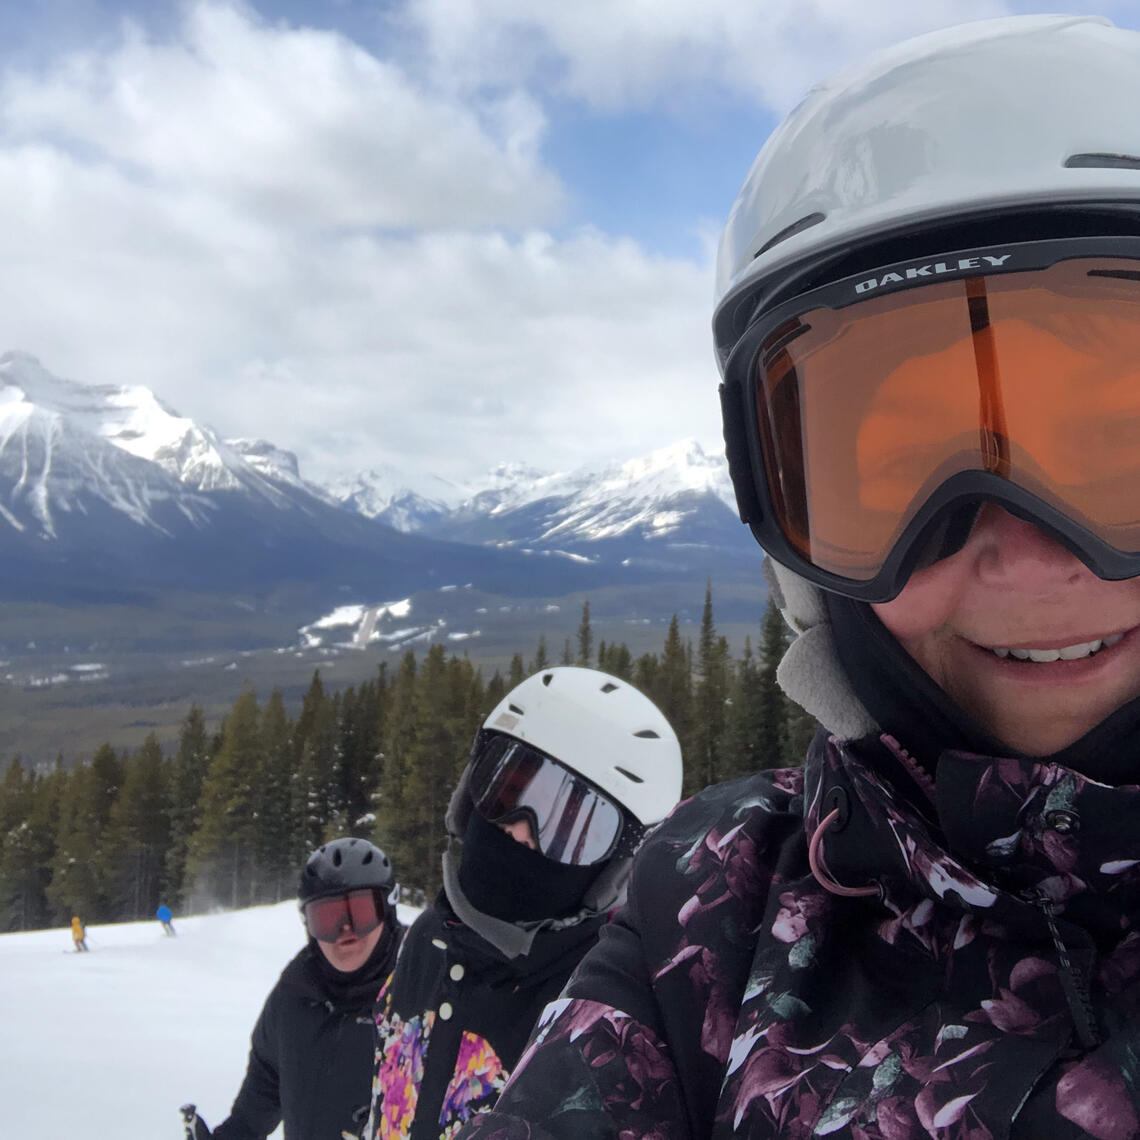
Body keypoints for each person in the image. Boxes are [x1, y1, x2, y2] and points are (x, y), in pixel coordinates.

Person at [455, 14, 1140, 1140]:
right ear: (801, 555)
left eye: (1116, 446)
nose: (1023, 553)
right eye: (901, 474)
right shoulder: (717, 910)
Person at [363, 666, 682, 1139]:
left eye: (571, 829)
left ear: (609, 869)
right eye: (507, 790)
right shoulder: (423, 940)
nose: (518, 831)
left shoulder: (603, 1017)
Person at [190, 838, 404, 1140]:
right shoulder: (295, 996)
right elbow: (264, 1089)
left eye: (360, 912)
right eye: (328, 918)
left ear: (388, 909)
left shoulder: (426, 984)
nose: (346, 930)